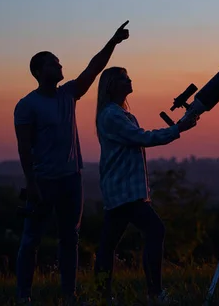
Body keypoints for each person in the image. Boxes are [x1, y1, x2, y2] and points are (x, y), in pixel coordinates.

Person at [13, 21, 131, 305]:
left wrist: (113, 42)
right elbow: (24, 148)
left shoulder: (69, 94)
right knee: (31, 240)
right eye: (53, 63)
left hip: (71, 179)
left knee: (70, 239)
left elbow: (94, 68)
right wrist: (31, 184)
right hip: (43, 180)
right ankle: (23, 296)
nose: (59, 65)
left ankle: (69, 295)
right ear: (39, 72)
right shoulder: (27, 105)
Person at [93, 66, 199, 305]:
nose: (130, 80)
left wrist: (177, 128)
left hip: (125, 188)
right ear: (112, 85)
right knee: (154, 230)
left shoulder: (121, 115)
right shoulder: (112, 115)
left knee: (108, 244)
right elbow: (143, 138)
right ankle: (154, 293)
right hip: (124, 189)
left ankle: (101, 295)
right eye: (124, 78)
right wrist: (178, 129)